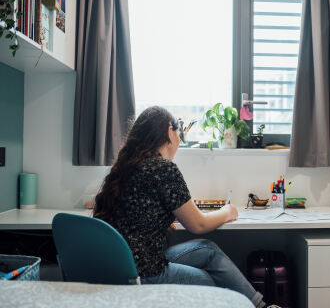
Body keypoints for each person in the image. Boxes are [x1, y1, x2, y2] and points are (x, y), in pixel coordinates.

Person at [93, 106, 268, 307]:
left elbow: (137, 213)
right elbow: (198, 225)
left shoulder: (126, 167)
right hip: (145, 272)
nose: (179, 141)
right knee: (207, 281)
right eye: (179, 134)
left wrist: (161, 221)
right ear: (170, 131)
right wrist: (227, 211)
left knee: (208, 249)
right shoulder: (163, 168)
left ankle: (260, 305)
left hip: (120, 265)